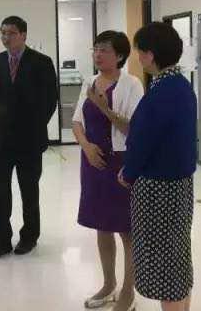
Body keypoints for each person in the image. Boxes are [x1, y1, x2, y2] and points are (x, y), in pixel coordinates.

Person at [118, 22, 197, 311]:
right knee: (177, 256)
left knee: (164, 264)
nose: (138, 57)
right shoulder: (181, 85)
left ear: (150, 54)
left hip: (159, 188)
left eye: (139, 51)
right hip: (180, 184)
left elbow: (144, 139)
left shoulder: (162, 91)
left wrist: (128, 172)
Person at [72, 31, 144, 311]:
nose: (98, 54)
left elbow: (134, 129)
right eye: (96, 49)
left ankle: (128, 291)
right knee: (102, 225)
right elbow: (77, 122)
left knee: (126, 229)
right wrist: (86, 147)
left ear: (120, 55)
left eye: (104, 50)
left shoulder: (132, 84)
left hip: (120, 163)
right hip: (93, 162)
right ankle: (108, 283)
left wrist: (105, 108)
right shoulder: (89, 82)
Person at [0, 16, 58, 261]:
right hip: (3, 137)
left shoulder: (42, 62)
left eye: (11, 33)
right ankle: (1, 241)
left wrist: (33, 126)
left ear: (24, 35)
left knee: (29, 191)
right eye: (2, 33)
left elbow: (50, 100)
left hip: (31, 138)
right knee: (0, 191)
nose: (6, 37)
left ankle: (29, 237)